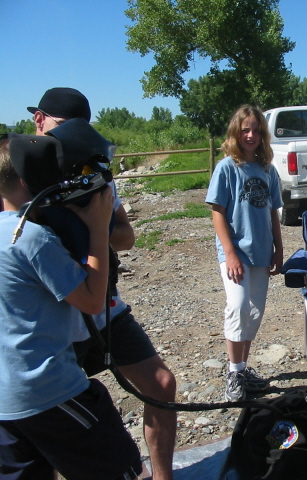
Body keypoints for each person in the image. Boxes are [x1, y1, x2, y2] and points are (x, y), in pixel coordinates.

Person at [29, 87, 177, 480]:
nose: (66, 140)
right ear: (38, 121)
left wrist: (95, 221)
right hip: (49, 316)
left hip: (103, 307)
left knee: (161, 385)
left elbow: (126, 238)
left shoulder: (93, 174)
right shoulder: (21, 179)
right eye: (59, 128)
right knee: (48, 421)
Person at [0, 134, 142, 479]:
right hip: (48, 389)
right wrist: (96, 225)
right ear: (27, 181)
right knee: (119, 467)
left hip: (6, 402)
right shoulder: (31, 240)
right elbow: (93, 302)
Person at [205, 105, 284, 402]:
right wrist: (230, 253)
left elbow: (274, 213)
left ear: (263, 135)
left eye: (256, 130)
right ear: (236, 133)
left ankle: (242, 368)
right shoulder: (227, 167)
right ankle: (233, 371)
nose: (250, 135)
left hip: (262, 252)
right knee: (237, 306)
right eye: (245, 130)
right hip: (235, 252)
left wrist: (279, 248)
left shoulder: (267, 169)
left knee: (253, 312)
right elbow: (218, 212)